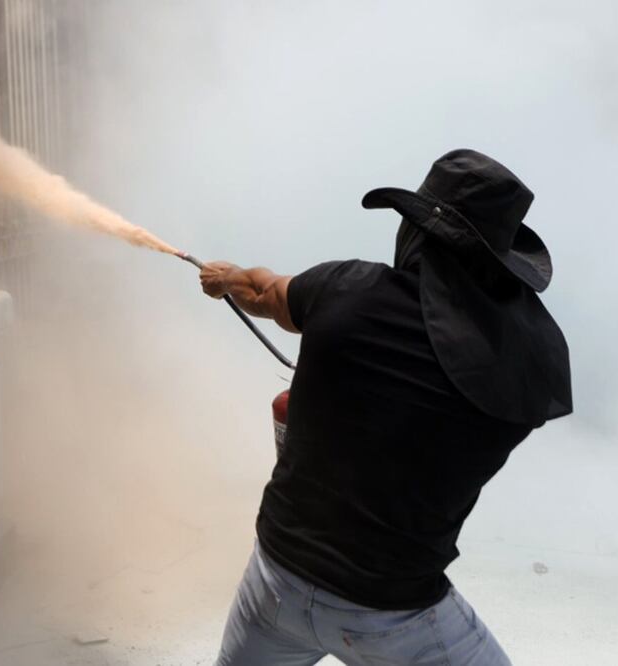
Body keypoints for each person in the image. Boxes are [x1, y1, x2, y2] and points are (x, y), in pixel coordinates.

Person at [199, 149, 572, 666]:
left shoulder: (345, 290)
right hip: (392, 617)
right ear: (499, 268)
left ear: (417, 234)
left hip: (275, 583)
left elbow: (264, 292)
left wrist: (228, 279)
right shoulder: (515, 376)